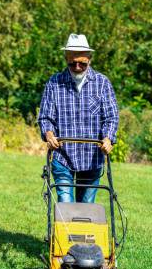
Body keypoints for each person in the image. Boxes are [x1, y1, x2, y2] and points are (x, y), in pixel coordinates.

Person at [37, 33, 119, 203]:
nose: (77, 67)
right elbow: (45, 117)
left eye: (82, 63)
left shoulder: (102, 83)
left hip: (92, 158)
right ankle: (64, 230)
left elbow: (111, 117)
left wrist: (108, 138)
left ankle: (82, 231)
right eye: (72, 63)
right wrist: (49, 135)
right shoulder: (54, 83)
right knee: (65, 202)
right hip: (62, 156)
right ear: (66, 58)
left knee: (86, 207)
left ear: (89, 58)